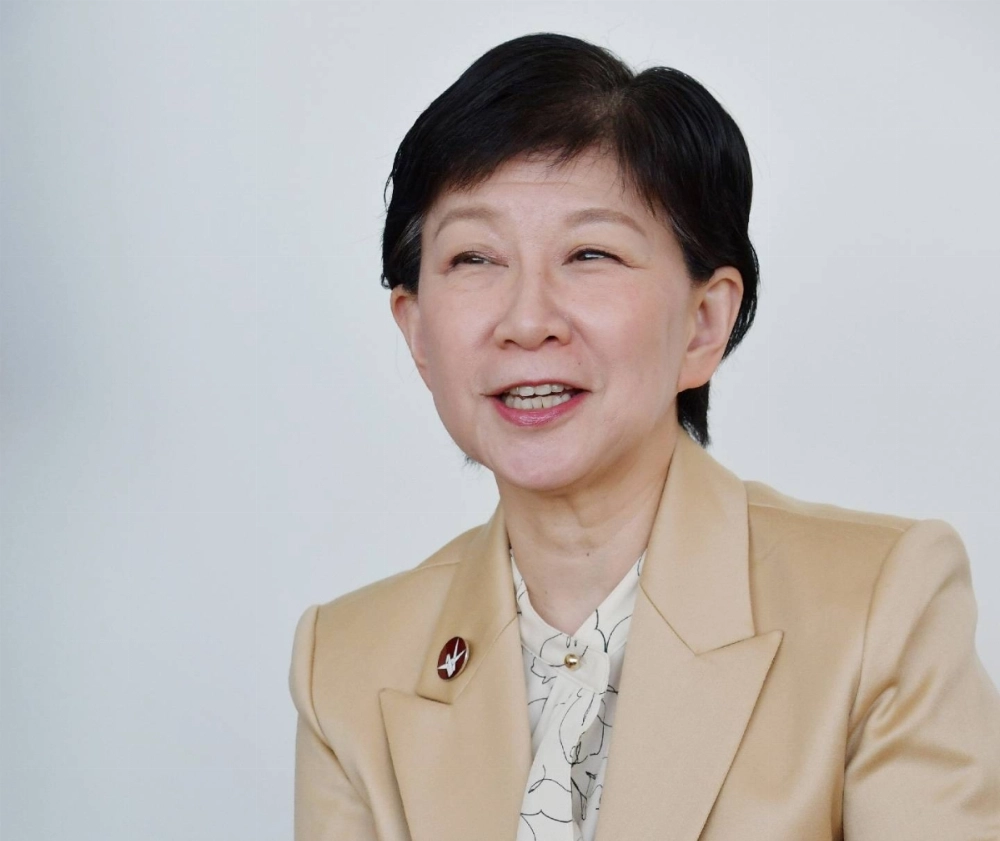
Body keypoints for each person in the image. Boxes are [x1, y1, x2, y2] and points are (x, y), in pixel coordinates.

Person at [288, 32, 1000, 841]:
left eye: (590, 253)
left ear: (704, 322)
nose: (527, 321)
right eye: (475, 257)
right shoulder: (344, 665)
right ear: (417, 332)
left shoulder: (879, 608)